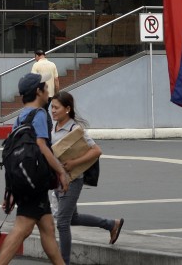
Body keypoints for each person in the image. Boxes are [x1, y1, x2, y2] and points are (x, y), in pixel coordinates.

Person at [0, 72, 69, 265]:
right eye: (45, 88)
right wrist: (61, 171)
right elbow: (42, 146)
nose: (47, 91)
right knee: (23, 228)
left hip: (25, 180)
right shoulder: (40, 114)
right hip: (35, 182)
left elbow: (11, 155)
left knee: (47, 228)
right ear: (38, 91)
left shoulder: (20, 118)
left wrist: (10, 190)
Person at [50, 91, 123, 264]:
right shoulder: (53, 127)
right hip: (58, 180)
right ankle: (111, 224)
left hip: (73, 179)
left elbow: (97, 151)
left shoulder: (75, 130)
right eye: (51, 107)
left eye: (56, 107)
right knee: (71, 218)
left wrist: (74, 163)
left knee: (62, 222)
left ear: (67, 109)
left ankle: (64, 262)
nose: (52, 111)